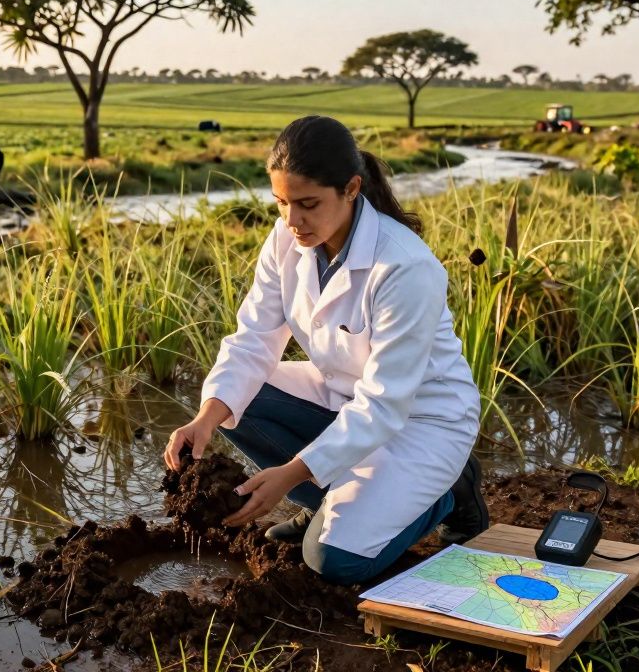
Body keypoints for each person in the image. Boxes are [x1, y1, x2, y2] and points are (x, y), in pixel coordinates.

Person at [164, 115, 487, 586]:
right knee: (236, 400)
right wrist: (204, 420)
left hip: (420, 420)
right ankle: (330, 501)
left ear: (352, 188)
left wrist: (290, 474)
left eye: (308, 204)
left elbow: (384, 402)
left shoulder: (405, 266)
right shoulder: (286, 241)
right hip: (344, 397)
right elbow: (253, 338)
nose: (292, 221)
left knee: (334, 561)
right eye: (281, 203)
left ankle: (448, 495)